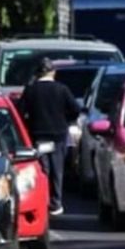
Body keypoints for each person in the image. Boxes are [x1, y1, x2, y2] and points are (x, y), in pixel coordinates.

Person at [20, 57, 80, 215]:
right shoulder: (62, 89)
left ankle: (42, 199)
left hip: (38, 135)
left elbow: (20, 112)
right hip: (58, 134)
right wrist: (65, 120)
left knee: (42, 169)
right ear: (53, 72)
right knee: (57, 169)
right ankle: (56, 202)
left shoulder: (30, 90)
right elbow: (75, 109)